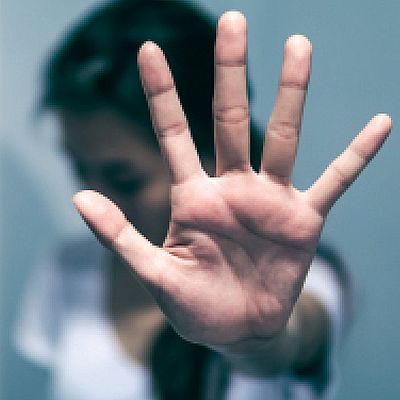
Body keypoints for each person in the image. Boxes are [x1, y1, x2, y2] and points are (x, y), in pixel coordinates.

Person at [15, 0, 389, 399]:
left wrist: (254, 341)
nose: (92, 197)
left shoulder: (293, 277)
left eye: (124, 179)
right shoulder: (67, 268)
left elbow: (296, 335)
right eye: (78, 166)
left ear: (207, 154)